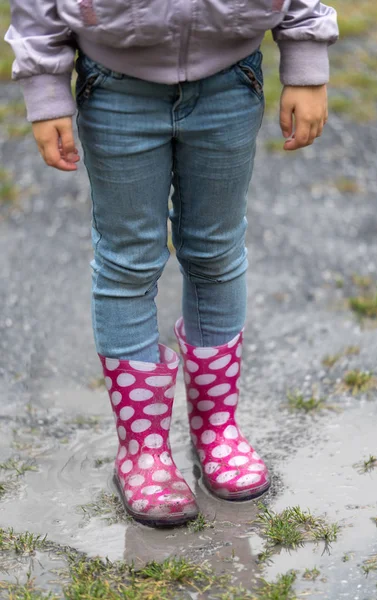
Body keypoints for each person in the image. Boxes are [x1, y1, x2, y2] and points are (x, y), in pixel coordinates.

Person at [6, 0, 338, 527]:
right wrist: (46, 90)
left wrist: (306, 60)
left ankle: (217, 431)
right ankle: (143, 451)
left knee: (216, 253)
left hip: (230, 82)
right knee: (127, 265)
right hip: (115, 88)